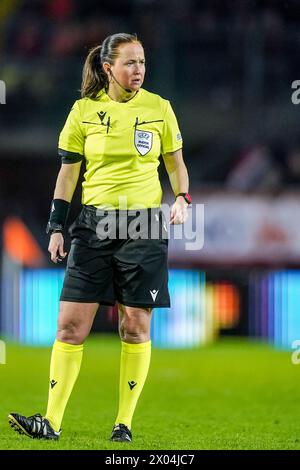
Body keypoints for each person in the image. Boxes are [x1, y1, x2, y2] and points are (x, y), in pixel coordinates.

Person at [8, 32, 191, 443]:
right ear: (108, 68)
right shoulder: (82, 111)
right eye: (129, 63)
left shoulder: (160, 109)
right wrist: (56, 226)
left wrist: (182, 196)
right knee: (70, 326)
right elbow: (68, 174)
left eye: (142, 62)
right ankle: (51, 423)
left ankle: (123, 424)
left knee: (135, 325)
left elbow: (175, 164)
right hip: (93, 227)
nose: (138, 70)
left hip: (143, 226)